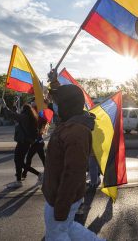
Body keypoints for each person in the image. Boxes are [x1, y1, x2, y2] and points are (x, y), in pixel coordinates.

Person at [42, 82, 102, 240]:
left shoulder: (76, 132)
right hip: (58, 195)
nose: (54, 106)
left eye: (57, 103)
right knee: (68, 228)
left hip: (60, 198)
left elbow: (73, 173)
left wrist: (61, 205)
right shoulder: (69, 125)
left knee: (56, 235)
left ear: (67, 105)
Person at [0, 99, 38, 189]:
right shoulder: (27, 116)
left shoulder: (24, 117)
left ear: (24, 110)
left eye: (21, 108)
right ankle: (18, 180)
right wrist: (14, 106)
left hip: (23, 142)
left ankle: (38, 174)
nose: (20, 110)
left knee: (18, 161)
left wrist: (4, 106)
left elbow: (13, 115)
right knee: (18, 161)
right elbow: (16, 115)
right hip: (24, 142)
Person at [22, 99, 53, 184]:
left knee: (31, 158)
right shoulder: (36, 114)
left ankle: (24, 174)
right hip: (38, 141)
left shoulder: (40, 115)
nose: (32, 103)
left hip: (37, 141)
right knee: (42, 158)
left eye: (34, 101)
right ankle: (48, 173)